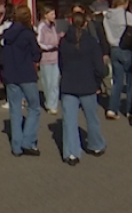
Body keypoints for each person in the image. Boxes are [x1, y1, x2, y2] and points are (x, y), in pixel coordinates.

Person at [58, 11, 107, 165]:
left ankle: (72, 153)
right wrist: (99, 79)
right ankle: (96, 145)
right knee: (91, 118)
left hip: (68, 84)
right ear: (86, 23)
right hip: (88, 84)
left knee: (69, 121)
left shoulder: (64, 41)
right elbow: (99, 67)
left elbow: (61, 63)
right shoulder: (91, 42)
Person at [1, 5, 42, 157]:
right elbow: (36, 54)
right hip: (26, 75)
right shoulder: (27, 34)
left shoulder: (6, 33)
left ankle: (16, 146)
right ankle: (28, 141)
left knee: (15, 110)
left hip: (11, 75)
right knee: (34, 107)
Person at [102, 0, 132, 120]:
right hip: (127, 49)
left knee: (117, 81)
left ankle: (112, 109)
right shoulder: (126, 15)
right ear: (125, 3)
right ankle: (130, 110)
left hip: (114, 48)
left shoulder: (107, 16)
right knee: (131, 81)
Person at [36, 4, 62, 114]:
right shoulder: (41, 27)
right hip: (45, 58)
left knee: (55, 82)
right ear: (45, 15)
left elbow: (55, 39)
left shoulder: (53, 25)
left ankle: (53, 105)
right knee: (47, 82)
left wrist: (60, 37)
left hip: (55, 57)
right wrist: (51, 46)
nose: (54, 16)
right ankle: (49, 103)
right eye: (52, 14)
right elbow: (40, 42)